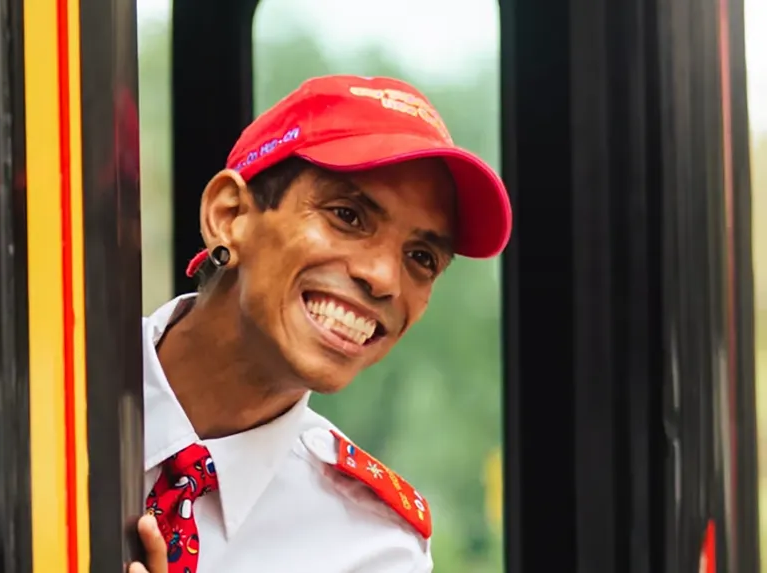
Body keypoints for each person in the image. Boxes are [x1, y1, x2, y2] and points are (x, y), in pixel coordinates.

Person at [128, 74, 512, 573]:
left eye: (420, 256)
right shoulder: (28, 387)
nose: (382, 279)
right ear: (230, 215)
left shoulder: (375, 546)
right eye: (347, 216)